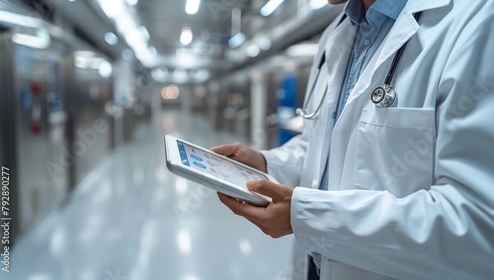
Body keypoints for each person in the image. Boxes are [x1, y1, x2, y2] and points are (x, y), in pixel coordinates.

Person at [211, 0, 494, 279]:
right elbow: (322, 148)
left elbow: (476, 223)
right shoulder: (337, 32)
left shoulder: (476, 20)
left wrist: (311, 219)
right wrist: (264, 163)